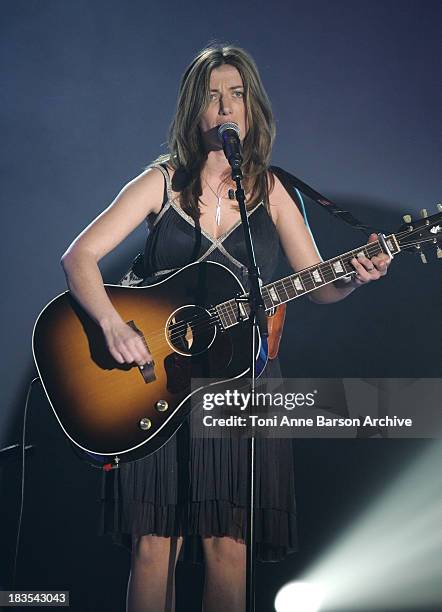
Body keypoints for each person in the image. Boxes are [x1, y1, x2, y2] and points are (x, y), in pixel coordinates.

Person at [60, 44, 390, 612]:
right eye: (213, 96)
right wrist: (113, 326)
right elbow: (80, 256)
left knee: (228, 547)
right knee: (152, 546)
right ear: (196, 109)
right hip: (156, 382)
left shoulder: (273, 191)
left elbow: (319, 284)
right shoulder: (162, 183)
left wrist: (356, 277)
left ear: (252, 107)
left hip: (243, 386)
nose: (225, 107)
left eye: (236, 94)